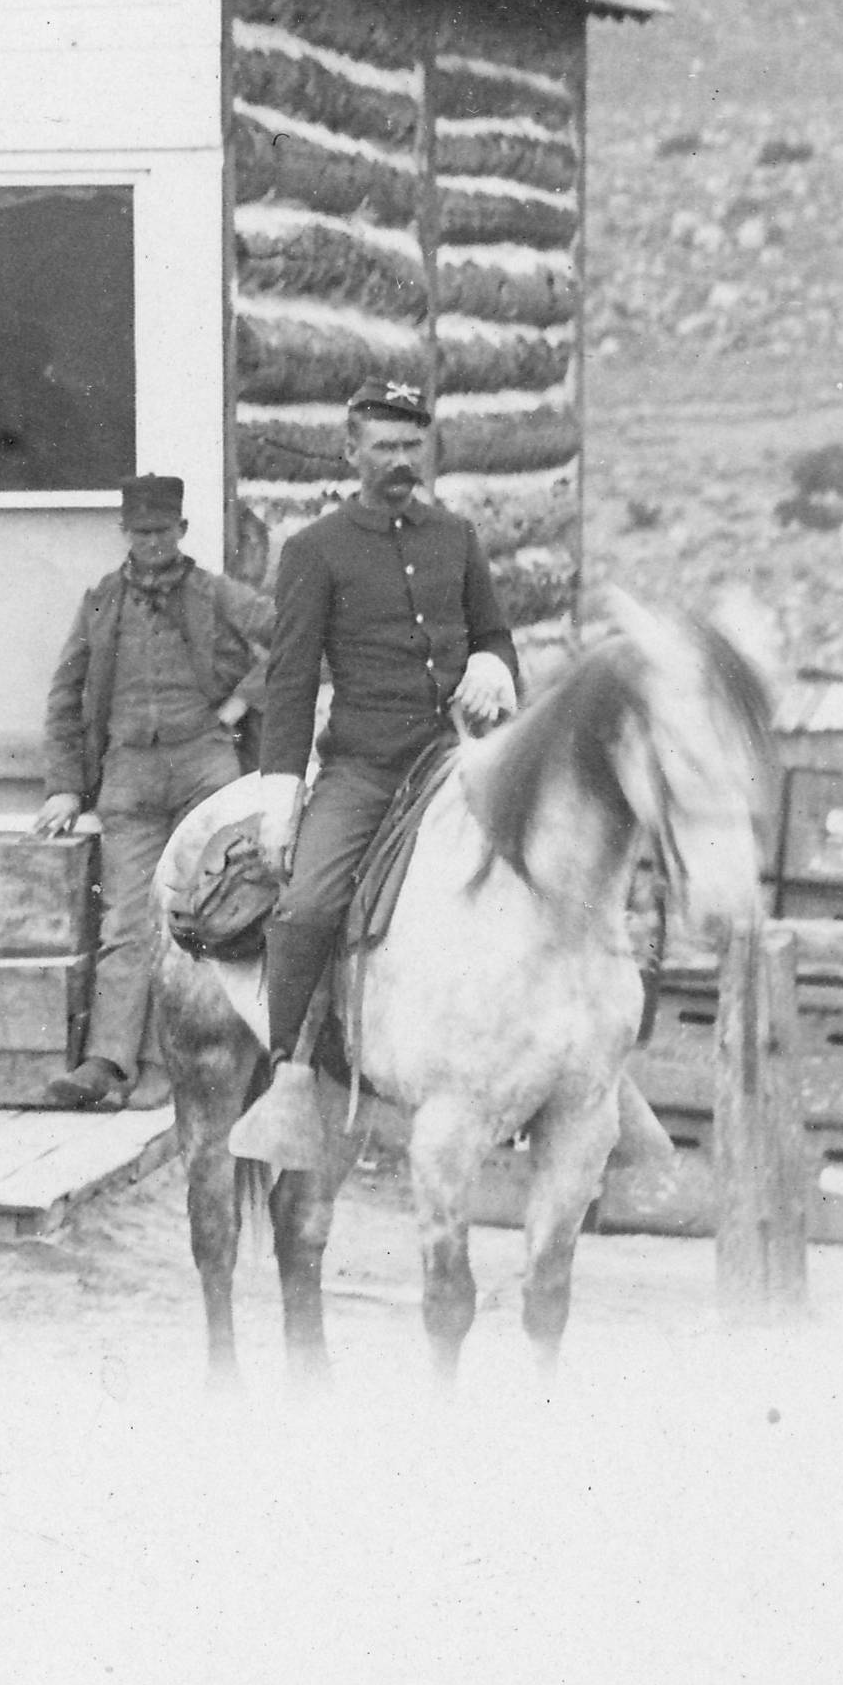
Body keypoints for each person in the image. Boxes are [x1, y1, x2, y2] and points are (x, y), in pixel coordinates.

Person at [225, 381, 518, 1170]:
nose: (400, 462)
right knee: (310, 903)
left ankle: (561, 1066)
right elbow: (288, 682)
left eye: (411, 446)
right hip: (363, 767)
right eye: (383, 447)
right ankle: (290, 1072)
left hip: (453, 759)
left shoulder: (456, 538)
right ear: (349, 452)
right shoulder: (317, 550)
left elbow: (495, 632)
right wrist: (282, 792)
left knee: (538, 873)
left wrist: (493, 662)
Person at [30, 474, 266, 1113]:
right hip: (128, 776)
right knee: (127, 921)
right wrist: (64, 787)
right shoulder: (102, 602)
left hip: (205, 770)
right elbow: (64, 696)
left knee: (195, 916)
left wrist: (239, 704)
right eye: (141, 532)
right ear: (124, 534)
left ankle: (169, 1063)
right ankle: (107, 1060)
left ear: (183, 531)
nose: (153, 542)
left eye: (163, 531)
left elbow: (298, 639)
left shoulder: (218, 596)